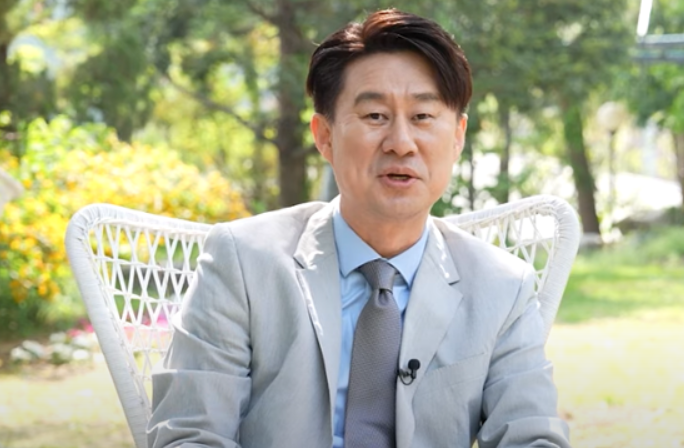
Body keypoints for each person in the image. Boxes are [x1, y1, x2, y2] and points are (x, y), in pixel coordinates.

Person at [148, 8, 571, 448]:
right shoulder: (243, 262)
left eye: (423, 117)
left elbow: (532, 436)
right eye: (374, 116)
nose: (401, 144)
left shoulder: (502, 287)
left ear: (458, 136)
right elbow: (189, 434)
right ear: (324, 136)